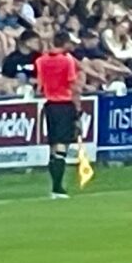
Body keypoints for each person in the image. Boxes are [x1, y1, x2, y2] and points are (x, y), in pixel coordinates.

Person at [33, 30, 82, 199]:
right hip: (64, 104)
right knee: (62, 146)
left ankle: (55, 186)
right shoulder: (67, 61)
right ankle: (57, 188)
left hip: (50, 105)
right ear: (65, 43)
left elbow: (39, 86)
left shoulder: (41, 61)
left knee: (53, 145)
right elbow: (73, 86)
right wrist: (78, 108)